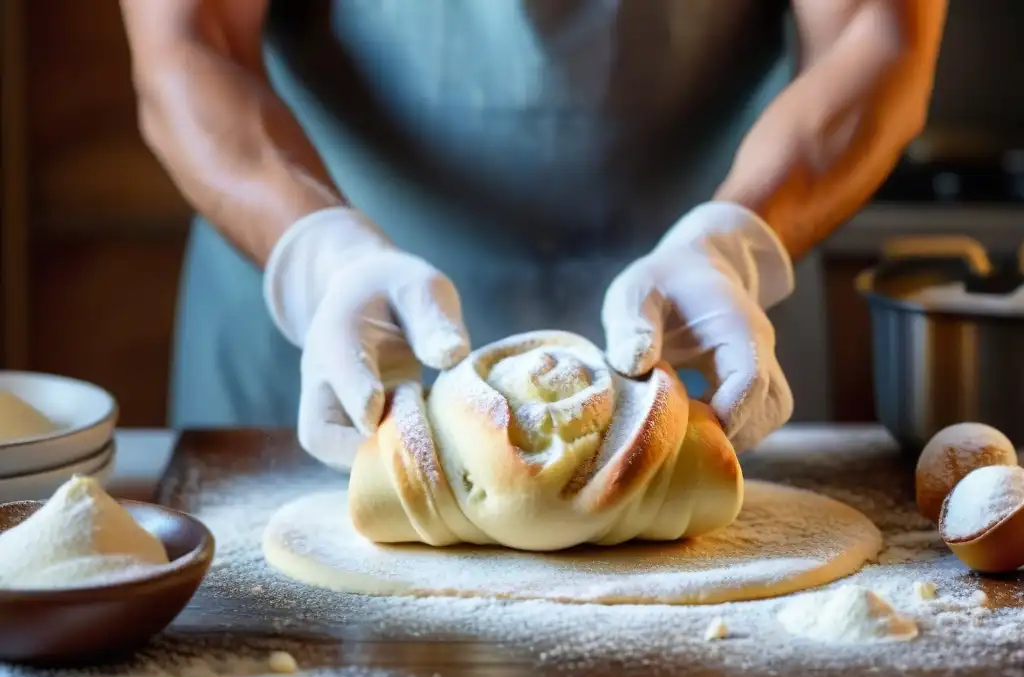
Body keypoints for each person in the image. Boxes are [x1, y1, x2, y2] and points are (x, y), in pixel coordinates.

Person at [120, 0, 945, 470]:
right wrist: (318, 256)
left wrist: (738, 240)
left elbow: (875, 31)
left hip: (706, 320)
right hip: (328, 326)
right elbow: (186, 42)